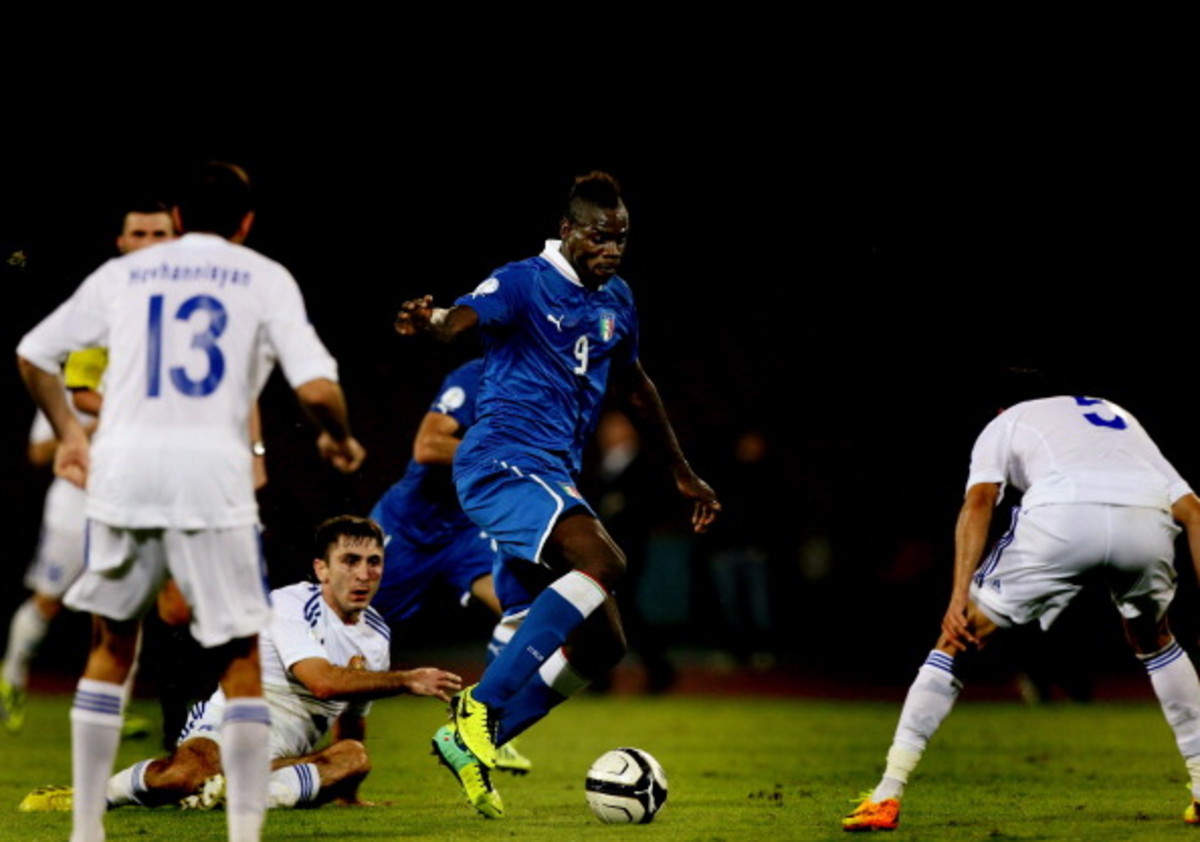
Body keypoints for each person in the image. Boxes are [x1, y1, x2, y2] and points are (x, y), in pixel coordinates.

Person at [16, 161, 366, 842]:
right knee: (239, 656)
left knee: (112, 646)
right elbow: (318, 390)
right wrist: (340, 438)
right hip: (212, 479)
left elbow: (33, 354)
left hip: (123, 475)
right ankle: (242, 832)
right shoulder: (264, 277)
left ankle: (86, 827)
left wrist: (69, 436)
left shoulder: (126, 275)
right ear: (246, 222)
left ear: (176, 217)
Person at [396, 171, 720, 818]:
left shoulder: (618, 300)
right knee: (607, 563)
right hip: (498, 462)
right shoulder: (523, 281)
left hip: (549, 474)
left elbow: (635, 385)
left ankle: (479, 740)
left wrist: (681, 469)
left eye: (621, 239)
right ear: (569, 230)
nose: (611, 249)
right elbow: (459, 320)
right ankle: (479, 709)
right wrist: (428, 320)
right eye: (600, 237)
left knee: (605, 644)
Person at [844, 392, 1200, 831]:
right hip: (1144, 522)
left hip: (1062, 520)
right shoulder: (1115, 414)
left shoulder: (1005, 421)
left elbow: (978, 503)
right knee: (1156, 641)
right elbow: (1195, 513)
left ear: (997, 406)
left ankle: (887, 794)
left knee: (956, 639)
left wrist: (958, 595)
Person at [84, 515, 459, 811]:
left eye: (374, 562)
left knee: (354, 758)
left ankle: (239, 794)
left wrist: (348, 793)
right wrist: (408, 680)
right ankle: (103, 792)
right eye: (350, 561)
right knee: (181, 777)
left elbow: (351, 718)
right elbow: (322, 683)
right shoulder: (290, 604)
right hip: (228, 726)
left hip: (287, 756)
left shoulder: (377, 635)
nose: (364, 574)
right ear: (321, 569)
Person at [0, 203, 176, 737]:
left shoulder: (174, 331)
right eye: (138, 232)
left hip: (142, 489)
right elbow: (39, 450)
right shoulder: (84, 340)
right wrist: (105, 422)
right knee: (51, 600)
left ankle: (114, 710)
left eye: (159, 233)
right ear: (121, 243)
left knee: (135, 604)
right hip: (81, 495)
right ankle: (11, 679)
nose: (148, 242)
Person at [368, 357, 531, 772]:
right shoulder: (474, 377)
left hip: (462, 531)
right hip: (406, 530)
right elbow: (428, 445)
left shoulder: (539, 389)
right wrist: (498, 457)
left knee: (524, 614)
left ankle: (481, 728)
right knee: (347, 633)